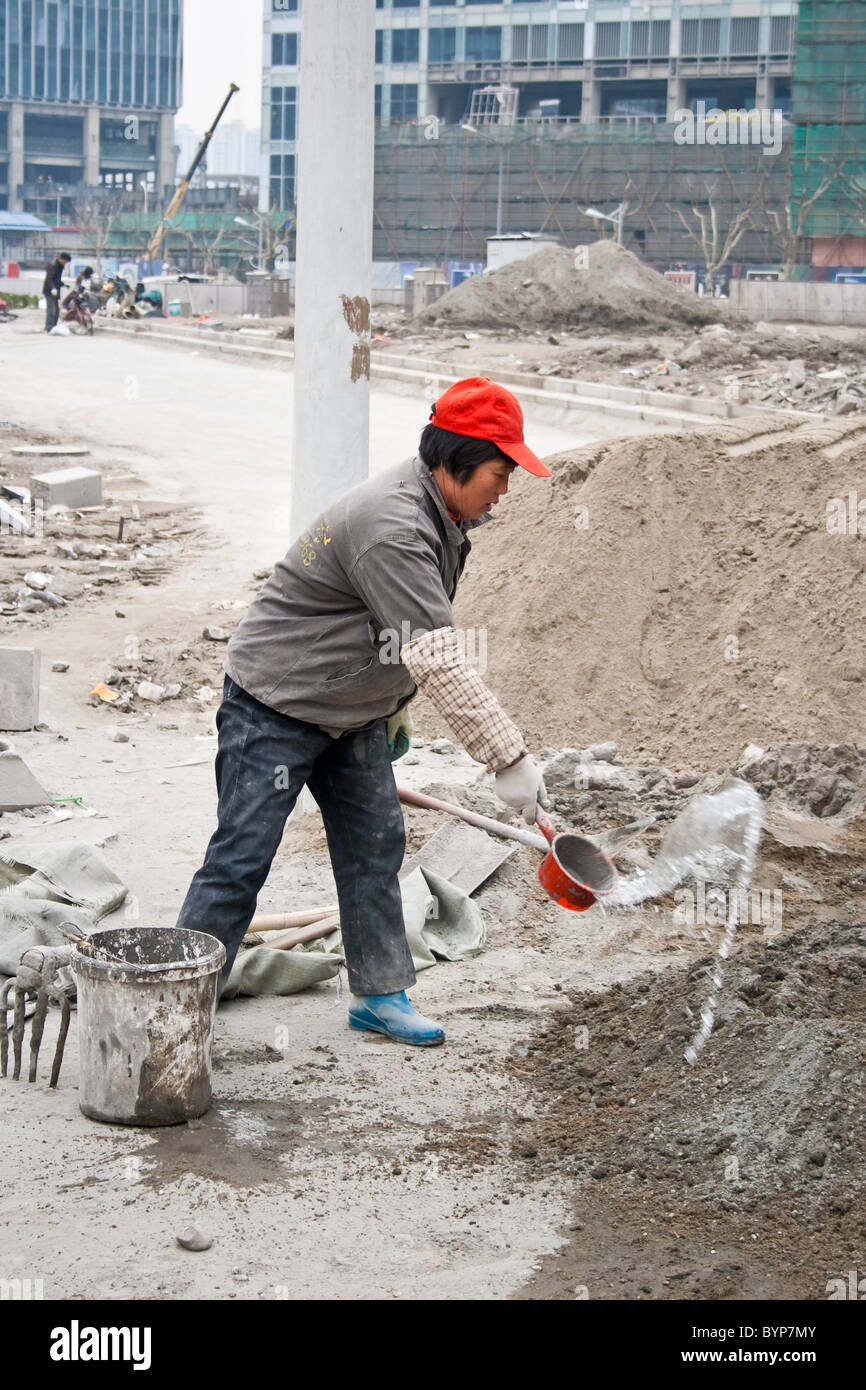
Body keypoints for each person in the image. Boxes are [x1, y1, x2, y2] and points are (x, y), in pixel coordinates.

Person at [176, 377, 552, 1046]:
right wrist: (509, 759)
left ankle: (380, 994)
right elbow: (437, 654)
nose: (505, 488)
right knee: (241, 859)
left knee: (375, 847)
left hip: (350, 712)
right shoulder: (395, 525)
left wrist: (391, 704)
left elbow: (397, 628)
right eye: (499, 472)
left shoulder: (444, 515)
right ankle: (176, 1007)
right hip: (276, 705)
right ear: (456, 460)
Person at [43, 252, 71, 332]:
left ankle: (54, 327)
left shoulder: (60, 266)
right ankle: (49, 328)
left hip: (56, 291)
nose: (65, 264)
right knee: (52, 310)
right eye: (65, 262)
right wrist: (52, 288)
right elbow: (49, 279)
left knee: (56, 311)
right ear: (62, 259)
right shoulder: (53, 265)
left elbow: (57, 279)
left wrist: (63, 284)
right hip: (49, 291)